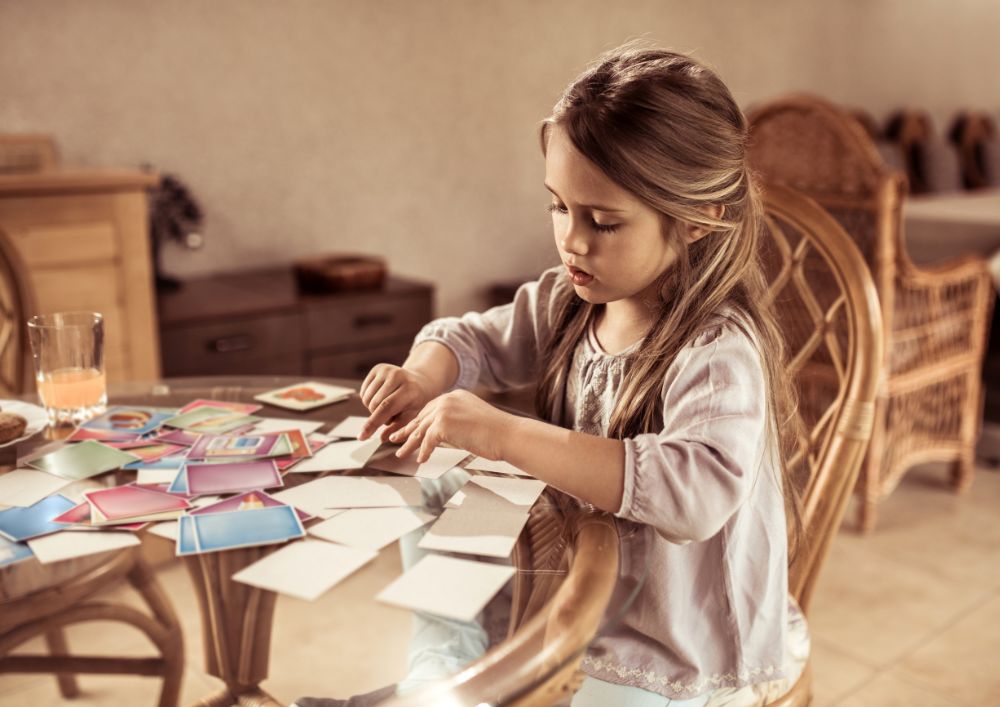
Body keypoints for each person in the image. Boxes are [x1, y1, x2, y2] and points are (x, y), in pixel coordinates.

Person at [297, 43, 807, 707]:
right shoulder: (566, 299)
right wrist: (424, 375)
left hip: (680, 644)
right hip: (575, 598)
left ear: (697, 221)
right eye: (559, 206)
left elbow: (695, 495)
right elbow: (469, 337)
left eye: (603, 221)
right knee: (434, 474)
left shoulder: (716, 349)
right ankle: (438, 676)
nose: (572, 239)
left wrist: (506, 434)